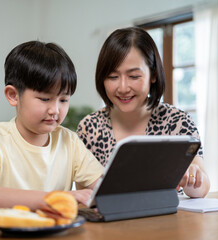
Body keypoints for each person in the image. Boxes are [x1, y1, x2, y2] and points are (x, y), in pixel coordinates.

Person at [0, 41, 104, 213]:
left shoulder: (69, 141)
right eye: (45, 99)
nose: (55, 110)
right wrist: (54, 199)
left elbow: (106, 189)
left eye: (64, 100)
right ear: (13, 95)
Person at [77, 27, 210, 198]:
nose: (123, 88)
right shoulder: (90, 128)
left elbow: (201, 187)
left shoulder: (177, 121)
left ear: (153, 75)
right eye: (112, 77)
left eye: (133, 76)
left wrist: (192, 179)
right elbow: (84, 196)